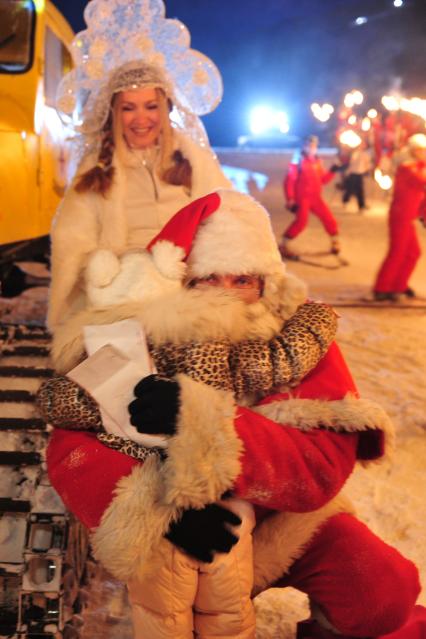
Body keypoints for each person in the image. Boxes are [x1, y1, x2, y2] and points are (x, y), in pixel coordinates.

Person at [40, 190, 425, 639]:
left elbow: (320, 468)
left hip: (282, 521)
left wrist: (210, 424)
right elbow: (72, 450)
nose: (224, 294)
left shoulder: (299, 346)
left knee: (381, 592)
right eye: (208, 278)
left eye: (242, 280)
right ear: (181, 281)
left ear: (265, 283)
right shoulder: (137, 340)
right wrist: (156, 513)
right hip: (178, 527)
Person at [48, 0, 232, 330]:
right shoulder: (97, 169)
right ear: (115, 113)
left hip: (187, 290)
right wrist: (103, 270)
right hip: (121, 297)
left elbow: (226, 218)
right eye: (129, 108)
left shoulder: (191, 159)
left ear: (165, 109)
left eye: (151, 106)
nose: (141, 119)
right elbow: (72, 241)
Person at [373, 133, 426, 302]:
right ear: (413, 151)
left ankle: (398, 285)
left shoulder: (419, 167)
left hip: (408, 217)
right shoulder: (407, 168)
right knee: (398, 251)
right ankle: (382, 287)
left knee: (413, 252)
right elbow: (422, 182)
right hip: (400, 216)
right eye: (421, 151)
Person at [280, 135, 343, 260]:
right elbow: (289, 181)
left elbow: (322, 180)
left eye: (313, 145)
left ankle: (335, 241)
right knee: (301, 222)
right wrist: (290, 199)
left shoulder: (317, 161)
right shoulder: (298, 161)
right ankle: (284, 245)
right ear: (304, 146)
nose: (311, 148)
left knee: (328, 218)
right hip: (302, 197)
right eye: (309, 145)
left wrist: (332, 170)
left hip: (316, 197)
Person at [342, 139, 372, 212]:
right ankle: (345, 201)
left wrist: (367, 170)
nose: (363, 146)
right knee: (350, 188)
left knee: (360, 190)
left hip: (360, 173)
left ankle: (361, 205)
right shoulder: (355, 153)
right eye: (362, 144)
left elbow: (367, 164)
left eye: (364, 145)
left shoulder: (365, 154)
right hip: (353, 173)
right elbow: (352, 161)